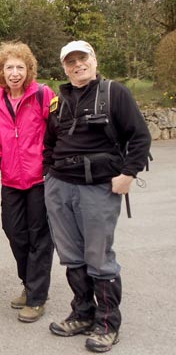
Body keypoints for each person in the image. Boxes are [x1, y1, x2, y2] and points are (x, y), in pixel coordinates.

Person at [43, 41, 151, 352]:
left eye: (82, 58)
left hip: (99, 188)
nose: (77, 65)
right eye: (70, 61)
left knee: (99, 257)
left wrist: (128, 175)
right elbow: (49, 143)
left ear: (94, 60)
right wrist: (48, 175)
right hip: (60, 186)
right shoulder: (58, 101)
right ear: (64, 66)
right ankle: (82, 314)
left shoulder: (114, 93)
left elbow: (140, 136)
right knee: (71, 255)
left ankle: (107, 323)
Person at [0, 41, 55, 323]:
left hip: (39, 179)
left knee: (39, 238)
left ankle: (36, 297)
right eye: (9, 67)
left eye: (20, 67)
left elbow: (57, 131)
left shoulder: (42, 95)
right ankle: (29, 283)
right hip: (11, 179)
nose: (14, 73)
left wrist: (49, 162)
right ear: (1, 70)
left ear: (29, 70)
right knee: (14, 232)